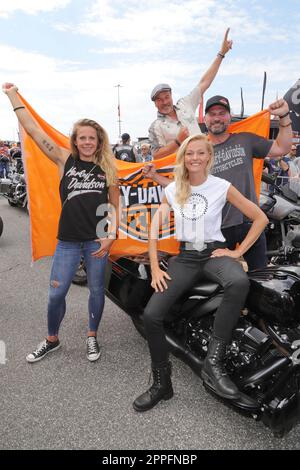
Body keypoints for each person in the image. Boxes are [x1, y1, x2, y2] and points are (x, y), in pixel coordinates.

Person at [133, 134, 268, 412]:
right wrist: (156, 266)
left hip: (213, 253)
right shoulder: (174, 189)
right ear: (183, 158)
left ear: (209, 157)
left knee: (238, 281)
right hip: (186, 257)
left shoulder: (222, 186)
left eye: (200, 153)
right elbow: (154, 227)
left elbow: (260, 218)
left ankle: (213, 362)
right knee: (151, 315)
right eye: (189, 153)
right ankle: (162, 384)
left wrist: (235, 251)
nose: (194, 158)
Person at [2, 82, 119, 363]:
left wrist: (111, 234)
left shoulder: (107, 168)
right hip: (67, 240)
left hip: (96, 241)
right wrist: (12, 95)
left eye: (92, 138)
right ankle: (52, 339)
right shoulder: (64, 159)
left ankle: (92, 336)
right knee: (56, 295)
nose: (88, 142)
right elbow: (34, 130)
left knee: (96, 292)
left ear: (99, 141)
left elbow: (114, 206)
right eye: (83, 138)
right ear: (75, 141)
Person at [144, 96, 292, 270]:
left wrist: (284, 117)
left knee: (259, 277)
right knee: (217, 283)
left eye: (222, 113)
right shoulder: (198, 150)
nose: (216, 118)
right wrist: (154, 177)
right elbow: (181, 186)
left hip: (248, 223)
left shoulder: (245, 140)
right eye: (212, 114)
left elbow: (283, 148)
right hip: (214, 230)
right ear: (205, 119)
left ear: (229, 117)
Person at [148, 28, 233, 160]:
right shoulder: (155, 126)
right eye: (159, 100)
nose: (164, 102)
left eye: (166, 97)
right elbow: (156, 155)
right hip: (181, 175)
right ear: (155, 103)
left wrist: (221, 54)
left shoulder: (185, 104)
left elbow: (204, 82)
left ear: (171, 96)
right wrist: (177, 141)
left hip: (206, 167)